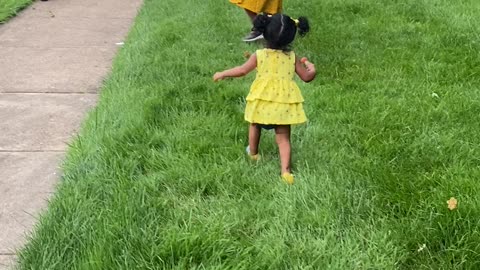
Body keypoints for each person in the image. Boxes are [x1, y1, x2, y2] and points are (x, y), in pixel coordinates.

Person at [213, 13, 316, 184]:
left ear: (265, 33)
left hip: (262, 102)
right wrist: (311, 68)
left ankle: (253, 154)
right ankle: (286, 172)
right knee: (283, 138)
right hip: (283, 105)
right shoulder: (292, 58)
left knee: (255, 124)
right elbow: (307, 77)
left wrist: (223, 73)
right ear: (291, 37)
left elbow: (241, 71)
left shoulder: (259, 55)